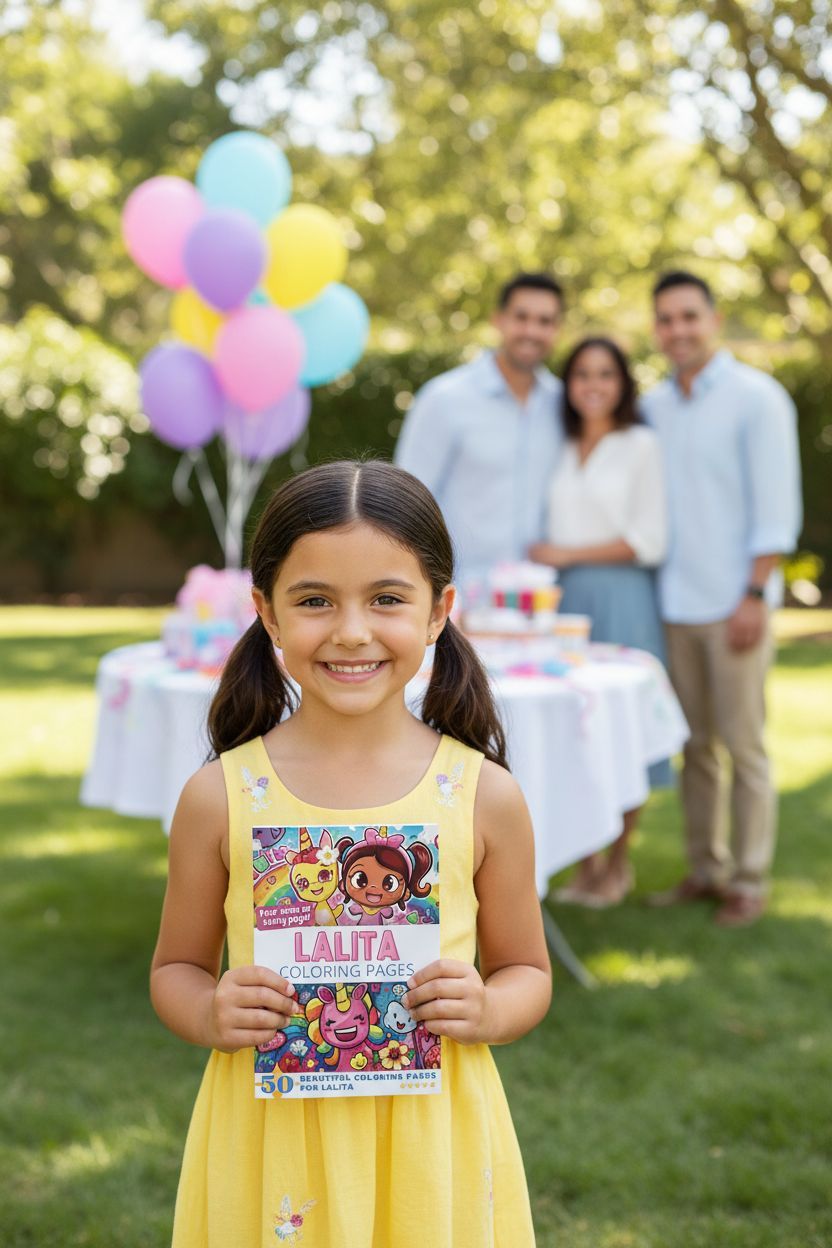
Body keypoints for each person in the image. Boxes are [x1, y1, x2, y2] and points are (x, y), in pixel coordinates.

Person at [150, 460, 552, 1247]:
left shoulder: (483, 795)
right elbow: (176, 969)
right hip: (271, 1144)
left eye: (387, 599)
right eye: (315, 601)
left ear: (439, 611)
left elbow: (527, 972)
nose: (352, 631)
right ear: (266, 612)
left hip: (430, 1143)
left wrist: (489, 1008)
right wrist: (207, 1010)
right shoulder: (221, 796)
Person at [643, 271, 803, 927]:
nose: (678, 329)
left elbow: (776, 508)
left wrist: (753, 595)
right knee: (697, 749)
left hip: (735, 602)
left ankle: (749, 880)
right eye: (666, 319)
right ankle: (705, 868)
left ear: (714, 319)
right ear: (656, 329)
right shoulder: (652, 406)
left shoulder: (756, 399)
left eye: (689, 316)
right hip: (673, 604)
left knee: (745, 747)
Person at [529, 337, 669, 906]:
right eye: (582, 373)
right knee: (576, 726)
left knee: (622, 727)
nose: (593, 384)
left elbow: (648, 540)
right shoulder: (560, 446)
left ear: (623, 384)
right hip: (565, 603)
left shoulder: (641, 445)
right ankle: (586, 864)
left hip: (621, 595)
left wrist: (565, 554)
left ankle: (618, 864)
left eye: (605, 374)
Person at [394, 272, 564, 586]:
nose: (532, 331)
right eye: (521, 317)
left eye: (544, 321)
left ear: (557, 329)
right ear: (499, 320)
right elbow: (407, 501)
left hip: (540, 594)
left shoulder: (563, 404)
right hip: (460, 592)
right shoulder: (444, 398)